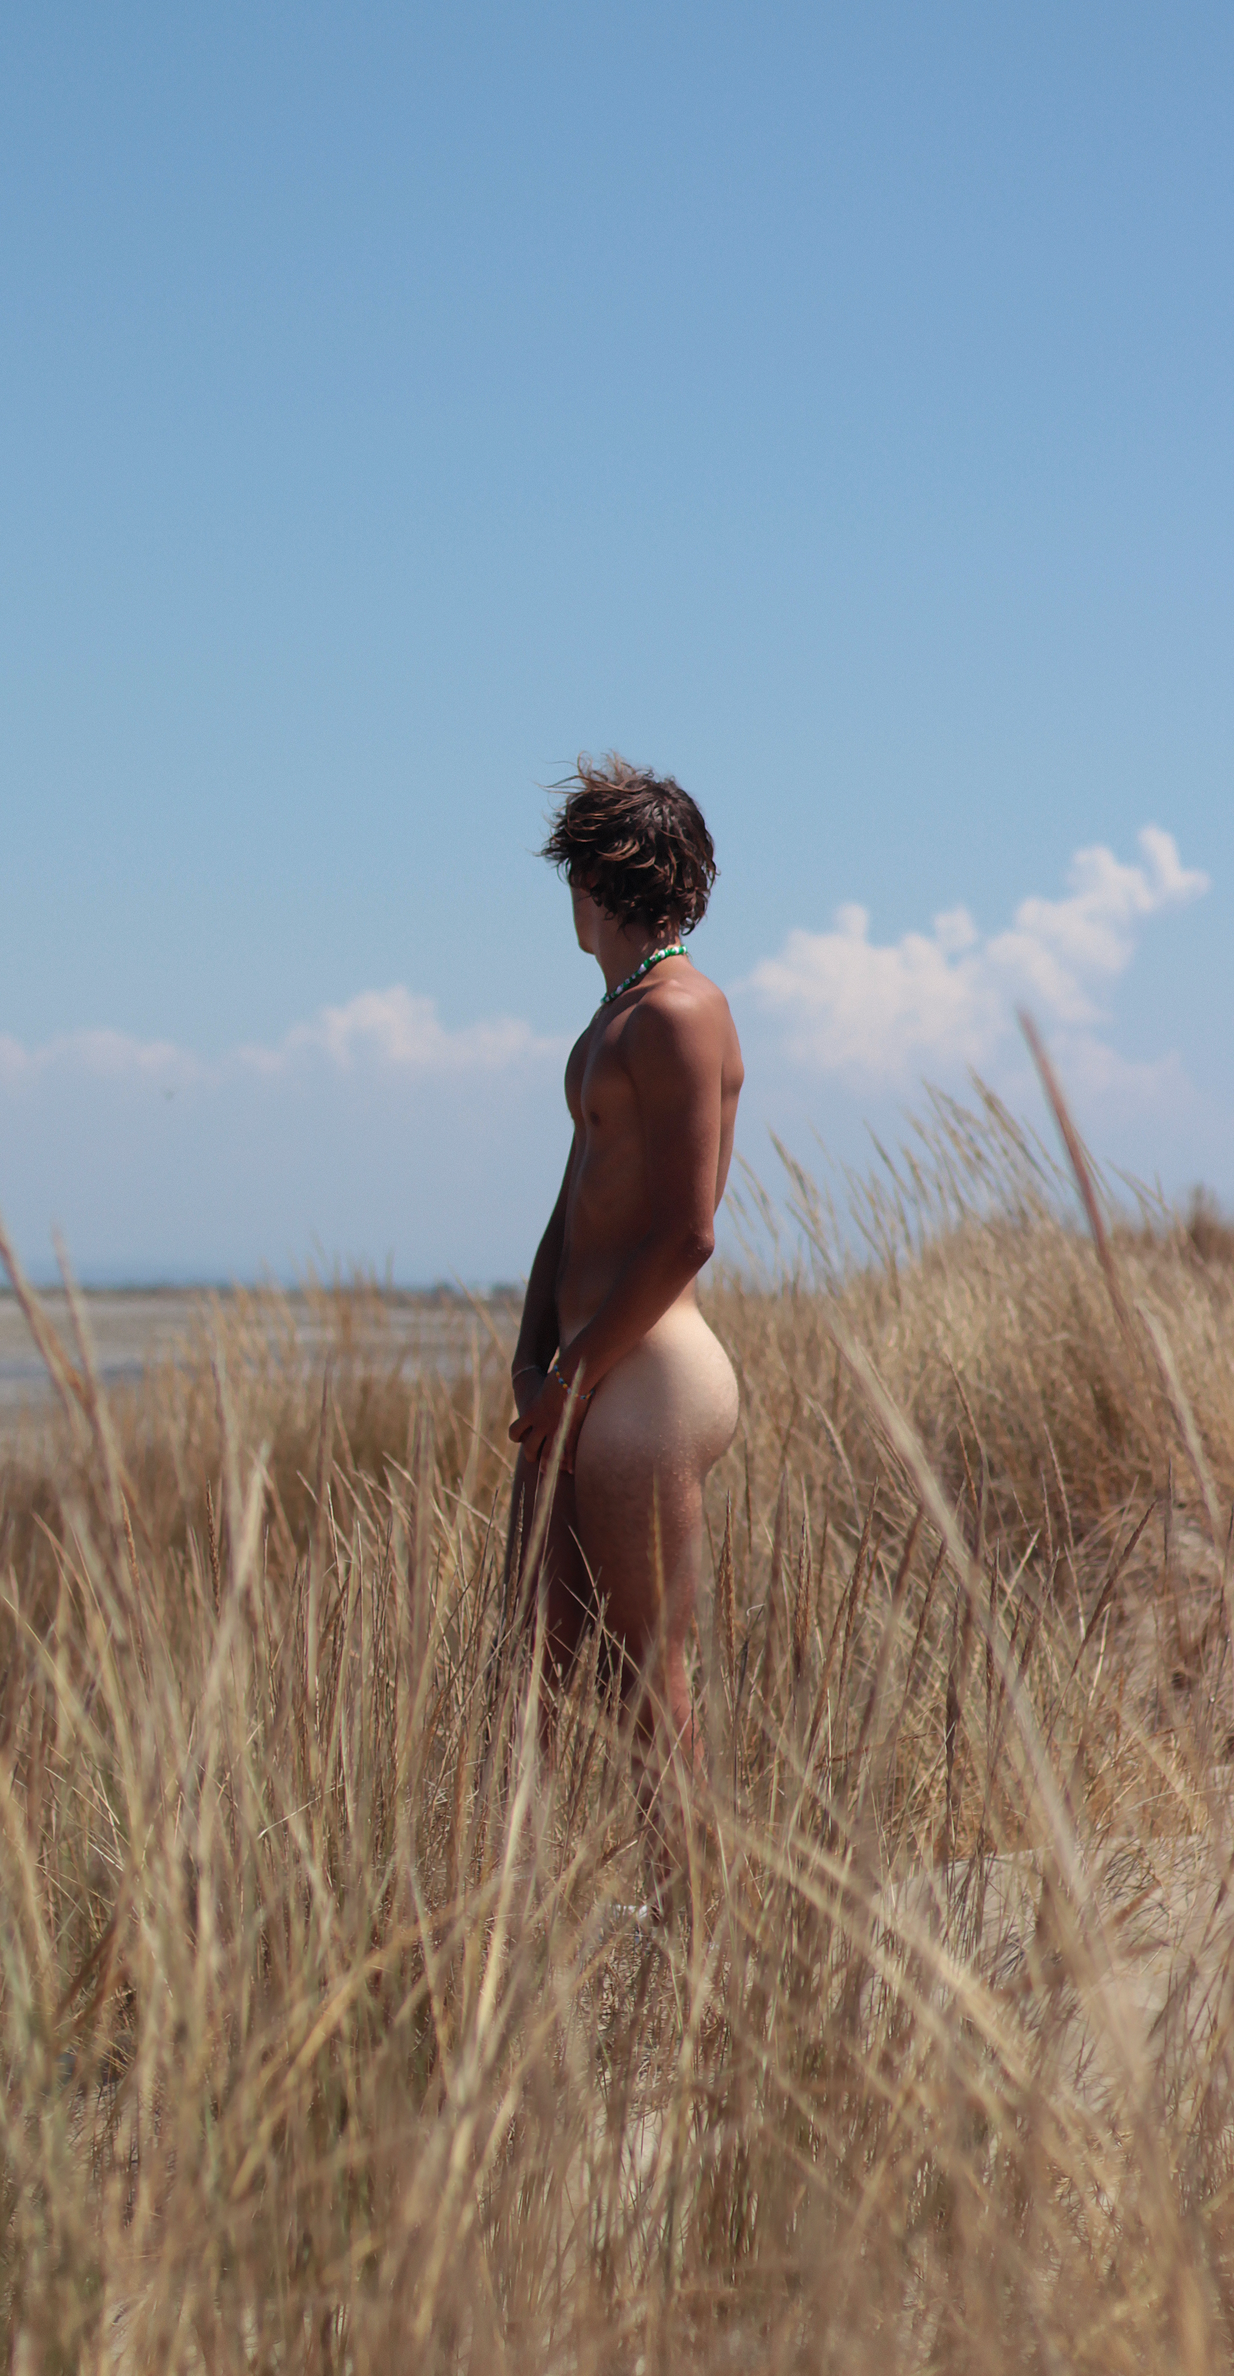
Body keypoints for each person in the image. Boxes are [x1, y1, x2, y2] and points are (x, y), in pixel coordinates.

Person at [505, 754, 744, 1853]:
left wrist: (575, 1370)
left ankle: (706, 1943)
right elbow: (572, 1201)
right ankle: (551, 1916)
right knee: (534, 1654)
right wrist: (531, 1352)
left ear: (591, 887)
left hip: (645, 1376)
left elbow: (686, 1232)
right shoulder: (620, 1011)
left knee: (650, 1679)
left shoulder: (681, 1013)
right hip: (590, 1371)